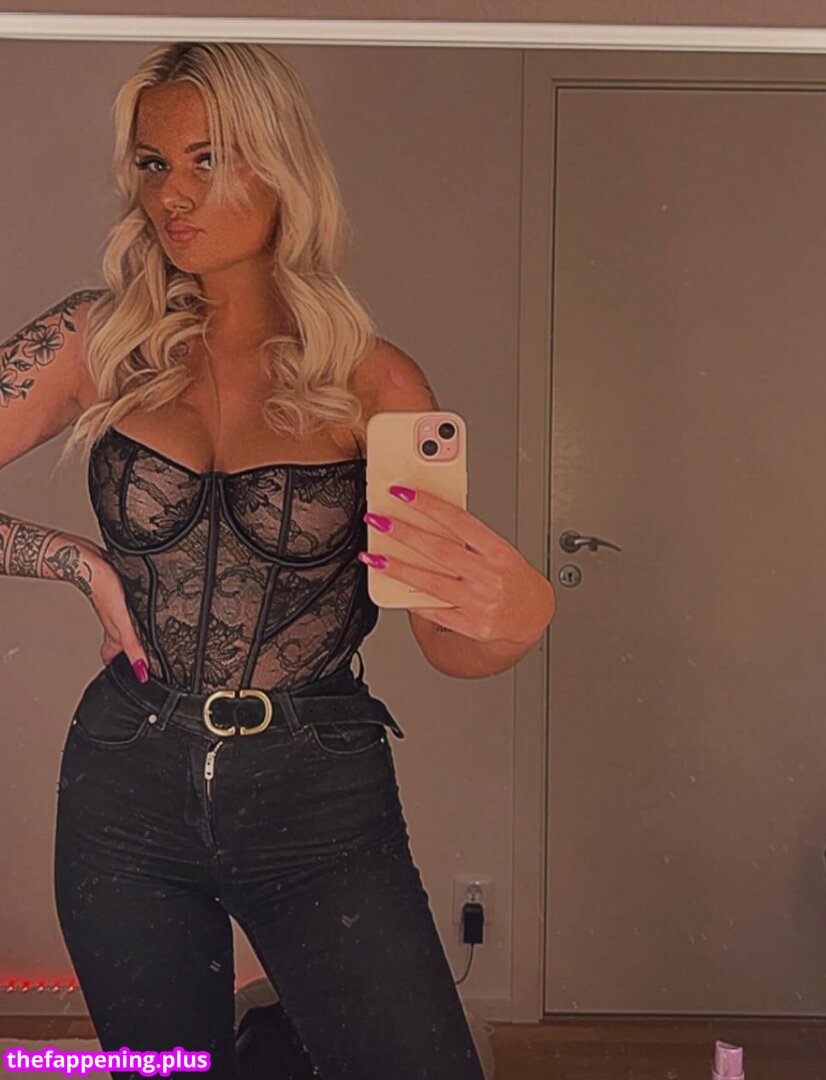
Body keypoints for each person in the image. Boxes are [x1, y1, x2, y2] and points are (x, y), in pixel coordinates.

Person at [0, 42, 555, 1079]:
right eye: (154, 163)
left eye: (209, 159)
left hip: (318, 796)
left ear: (281, 165)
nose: (174, 195)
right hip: (126, 779)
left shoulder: (373, 382)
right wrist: (71, 560)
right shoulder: (98, 339)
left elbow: (444, 640)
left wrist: (519, 619)